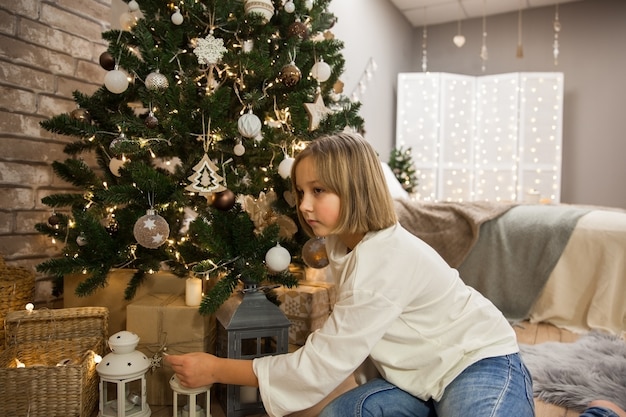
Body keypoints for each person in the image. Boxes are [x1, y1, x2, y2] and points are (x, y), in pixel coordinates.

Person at [166, 133, 626, 417]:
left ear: (358, 189)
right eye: (301, 191)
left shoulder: (384, 260)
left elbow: (320, 365)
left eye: (319, 191)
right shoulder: (340, 245)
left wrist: (216, 368)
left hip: (478, 363)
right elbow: (348, 341)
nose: (304, 205)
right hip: (416, 380)